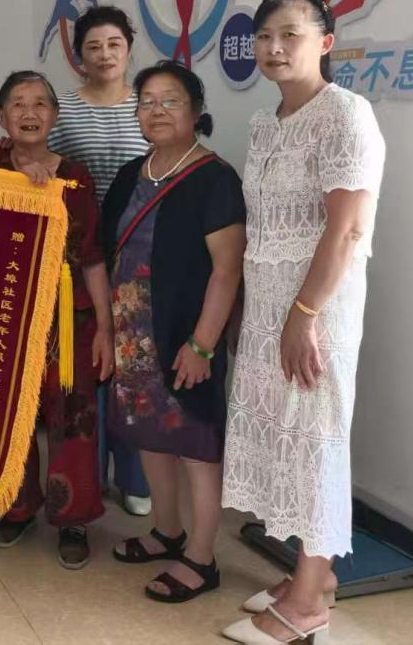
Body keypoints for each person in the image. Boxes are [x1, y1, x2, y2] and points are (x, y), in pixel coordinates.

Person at [221, 0, 385, 644]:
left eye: (290, 34)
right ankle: (310, 576)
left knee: (314, 442)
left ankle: (310, 604)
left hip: (316, 310)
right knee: (282, 439)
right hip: (269, 308)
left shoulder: (345, 114)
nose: (274, 47)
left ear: (324, 42)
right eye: (264, 36)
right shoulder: (266, 123)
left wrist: (305, 314)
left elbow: (345, 230)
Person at [102, 61, 245, 603]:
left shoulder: (215, 178)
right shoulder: (131, 174)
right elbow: (108, 253)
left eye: (171, 101)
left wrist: (202, 345)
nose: (156, 111)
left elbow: (227, 271)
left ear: (196, 111)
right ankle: (167, 531)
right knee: (151, 436)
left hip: (186, 338)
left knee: (197, 447)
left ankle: (202, 559)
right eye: (146, 102)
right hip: (134, 334)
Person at [0, 71, 115, 569]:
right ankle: (17, 506)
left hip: (69, 317)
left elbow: (93, 256)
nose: (29, 113)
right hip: (6, 317)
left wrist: (105, 328)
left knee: (74, 418)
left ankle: (72, 516)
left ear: (54, 116)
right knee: (9, 416)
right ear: (2, 117)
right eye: (18, 104)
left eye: (40, 104)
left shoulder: (75, 177)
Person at [46, 5, 152, 516]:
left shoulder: (148, 105)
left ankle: (135, 477)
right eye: (93, 46)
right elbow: (47, 168)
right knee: (91, 362)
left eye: (114, 44)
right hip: (78, 254)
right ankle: (91, 474)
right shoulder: (62, 109)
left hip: (139, 251)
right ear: (78, 56)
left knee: (134, 363)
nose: (104, 54)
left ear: (128, 48)